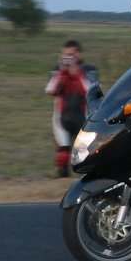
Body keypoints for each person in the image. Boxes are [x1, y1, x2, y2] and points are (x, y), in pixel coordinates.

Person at [45, 40, 99, 177]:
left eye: (72, 55)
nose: (68, 58)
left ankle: (88, 178)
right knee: (63, 153)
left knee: (85, 152)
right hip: (62, 117)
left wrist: (77, 73)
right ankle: (62, 177)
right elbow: (50, 90)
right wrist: (62, 73)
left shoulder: (89, 70)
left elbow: (91, 91)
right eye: (65, 55)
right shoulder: (58, 70)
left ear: (79, 54)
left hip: (84, 117)